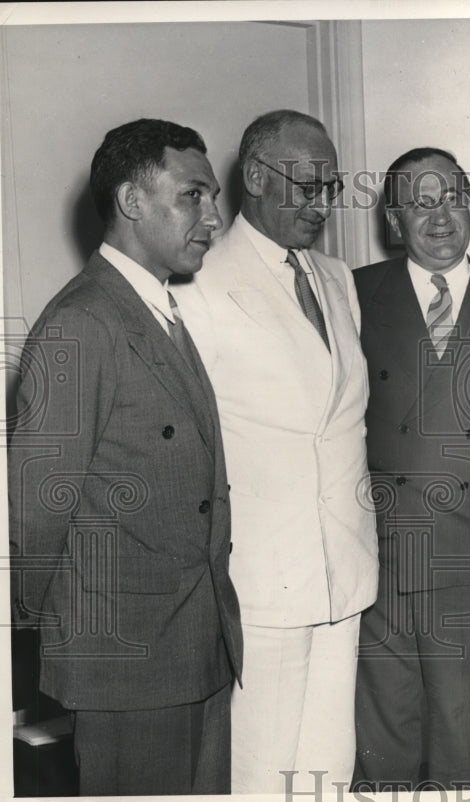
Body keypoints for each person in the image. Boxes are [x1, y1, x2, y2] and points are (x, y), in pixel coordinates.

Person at [7, 119, 241, 795]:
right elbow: (36, 512)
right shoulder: (82, 323)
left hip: (198, 639)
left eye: (212, 197)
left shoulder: (159, 309)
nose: (214, 217)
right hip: (127, 659)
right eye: (194, 195)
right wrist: (57, 632)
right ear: (132, 201)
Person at [173, 110, 378, 792]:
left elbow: (343, 423)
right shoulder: (195, 287)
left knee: (328, 758)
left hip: (342, 565)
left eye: (331, 187)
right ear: (255, 177)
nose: (322, 205)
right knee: (262, 764)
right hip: (259, 577)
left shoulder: (337, 278)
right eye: (307, 186)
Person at [352, 147, 470, 790]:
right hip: (378, 546)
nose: (441, 217)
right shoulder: (354, 295)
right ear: (393, 218)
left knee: (463, 721)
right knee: (384, 720)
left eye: (453, 199)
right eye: (421, 202)